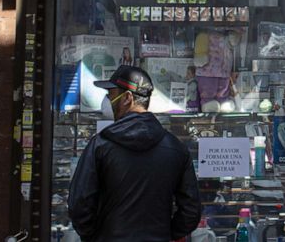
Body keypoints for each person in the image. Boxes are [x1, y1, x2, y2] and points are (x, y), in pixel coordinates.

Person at [68, 65, 201, 242]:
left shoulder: (100, 145)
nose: (108, 100)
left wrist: (97, 236)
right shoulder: (176, 148)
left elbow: (79, 205)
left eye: (111, 95)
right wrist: (166, 234)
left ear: (127, 98)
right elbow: (191, 211)